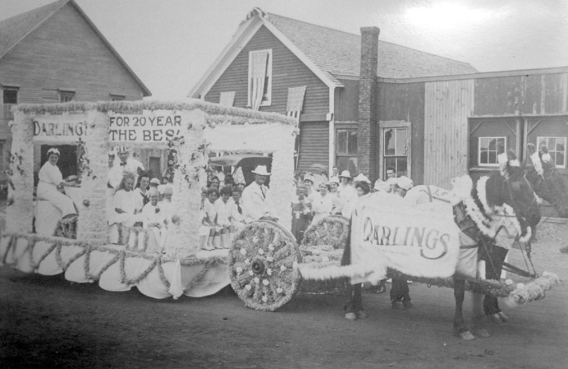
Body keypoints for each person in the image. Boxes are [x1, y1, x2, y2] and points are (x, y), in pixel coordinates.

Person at [390, 175, 415, 310]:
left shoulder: (407, 202)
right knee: (396, 269)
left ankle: (404, 296)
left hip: (404, 237)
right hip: (394, 237)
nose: (404, 192)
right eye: (403, 190)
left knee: (403, 269)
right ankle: (396, 298)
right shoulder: (394, 201)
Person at [37, 148, 77, 219]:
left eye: (56, 157)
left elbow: (58, 179)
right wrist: (70, 184)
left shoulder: (54, 167)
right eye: (52, 157)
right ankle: (68, 221)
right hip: (45, 191)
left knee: (69, 199)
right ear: (48, 158)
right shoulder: (47, 167)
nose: (54, 159)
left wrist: (67, 181)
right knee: (67, 201)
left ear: (58, 158)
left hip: (51, 190)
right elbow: (58, 181)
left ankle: (68, 220)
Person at [110, 173, 143, 242]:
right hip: (121, 215)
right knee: (127, 218)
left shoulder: (133, 194)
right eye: (128, 183)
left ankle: (133, 238)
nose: (130, 185)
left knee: (139, 217)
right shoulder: (119, 193)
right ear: (124, 182)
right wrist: (128, 214)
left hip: (131, 216)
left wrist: (134, 214)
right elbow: (117, 208)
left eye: (132, 184)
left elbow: (136, 208)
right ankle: (125, 237)